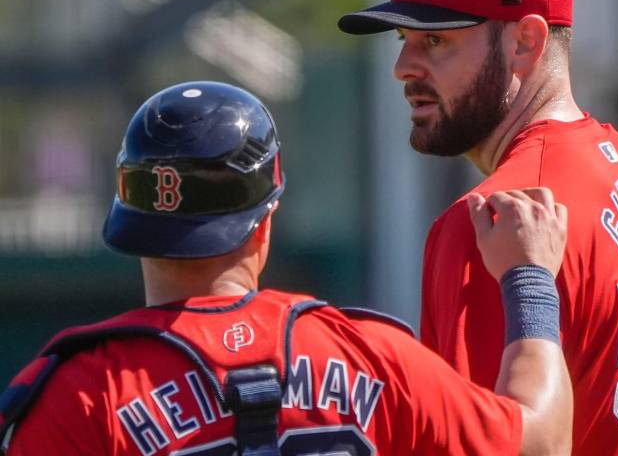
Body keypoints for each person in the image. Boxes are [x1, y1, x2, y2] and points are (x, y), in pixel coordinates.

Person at [0, 81, 572, 456]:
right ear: (265, 219)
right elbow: (542, 443)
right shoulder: (373, 357)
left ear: (130, 219)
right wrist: (529, 277)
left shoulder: (79, 395)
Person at [338, 0, 618, 454]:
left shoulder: (498, 221)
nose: (403, 66)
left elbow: (485, 446)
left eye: (435, 39)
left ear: (526, 42)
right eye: (403, 38)